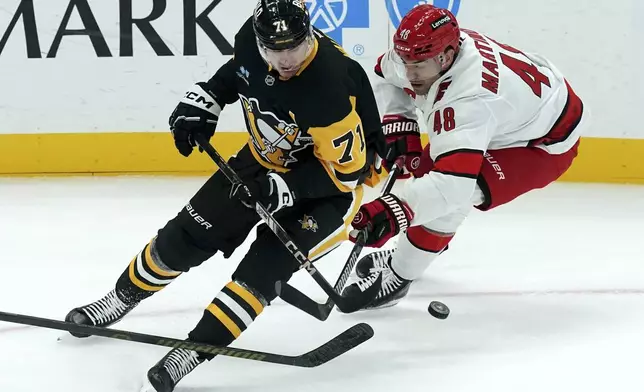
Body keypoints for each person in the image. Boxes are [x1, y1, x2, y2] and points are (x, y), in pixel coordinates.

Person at [64, 1, 387, 391]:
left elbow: (347, 173)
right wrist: (207, 101)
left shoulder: (329, 88)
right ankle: (119, 299)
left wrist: (282, 189)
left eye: (295, 49)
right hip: (259, 162)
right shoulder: (250, 45)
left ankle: (191, 351)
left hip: (327, 191)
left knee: (261, 273)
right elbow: (237, 75)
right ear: (258, 40)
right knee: (183, 237)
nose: (285, 60)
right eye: (274, 50)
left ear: (310, 37)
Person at [342, 4, 588, 309]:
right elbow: (384, 73)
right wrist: (400, 123)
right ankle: (424, 244)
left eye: (417, 65)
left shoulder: (469, 100)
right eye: (404, 59)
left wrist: (393, 209)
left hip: (544, 144)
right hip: (515, 112)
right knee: (429, 176)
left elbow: (451, 189)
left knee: (456, 195)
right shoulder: (424, 52)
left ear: (446, 56)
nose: (408, 72)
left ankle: (399, 274)